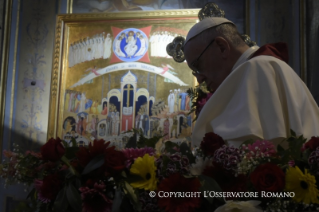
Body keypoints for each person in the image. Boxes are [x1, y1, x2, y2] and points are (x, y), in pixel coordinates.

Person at [179, 3, 319, 147]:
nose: (199, 78)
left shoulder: (258, 70)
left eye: (198, 65)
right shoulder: (261, 68)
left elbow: (253, 152)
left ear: (222, 47)